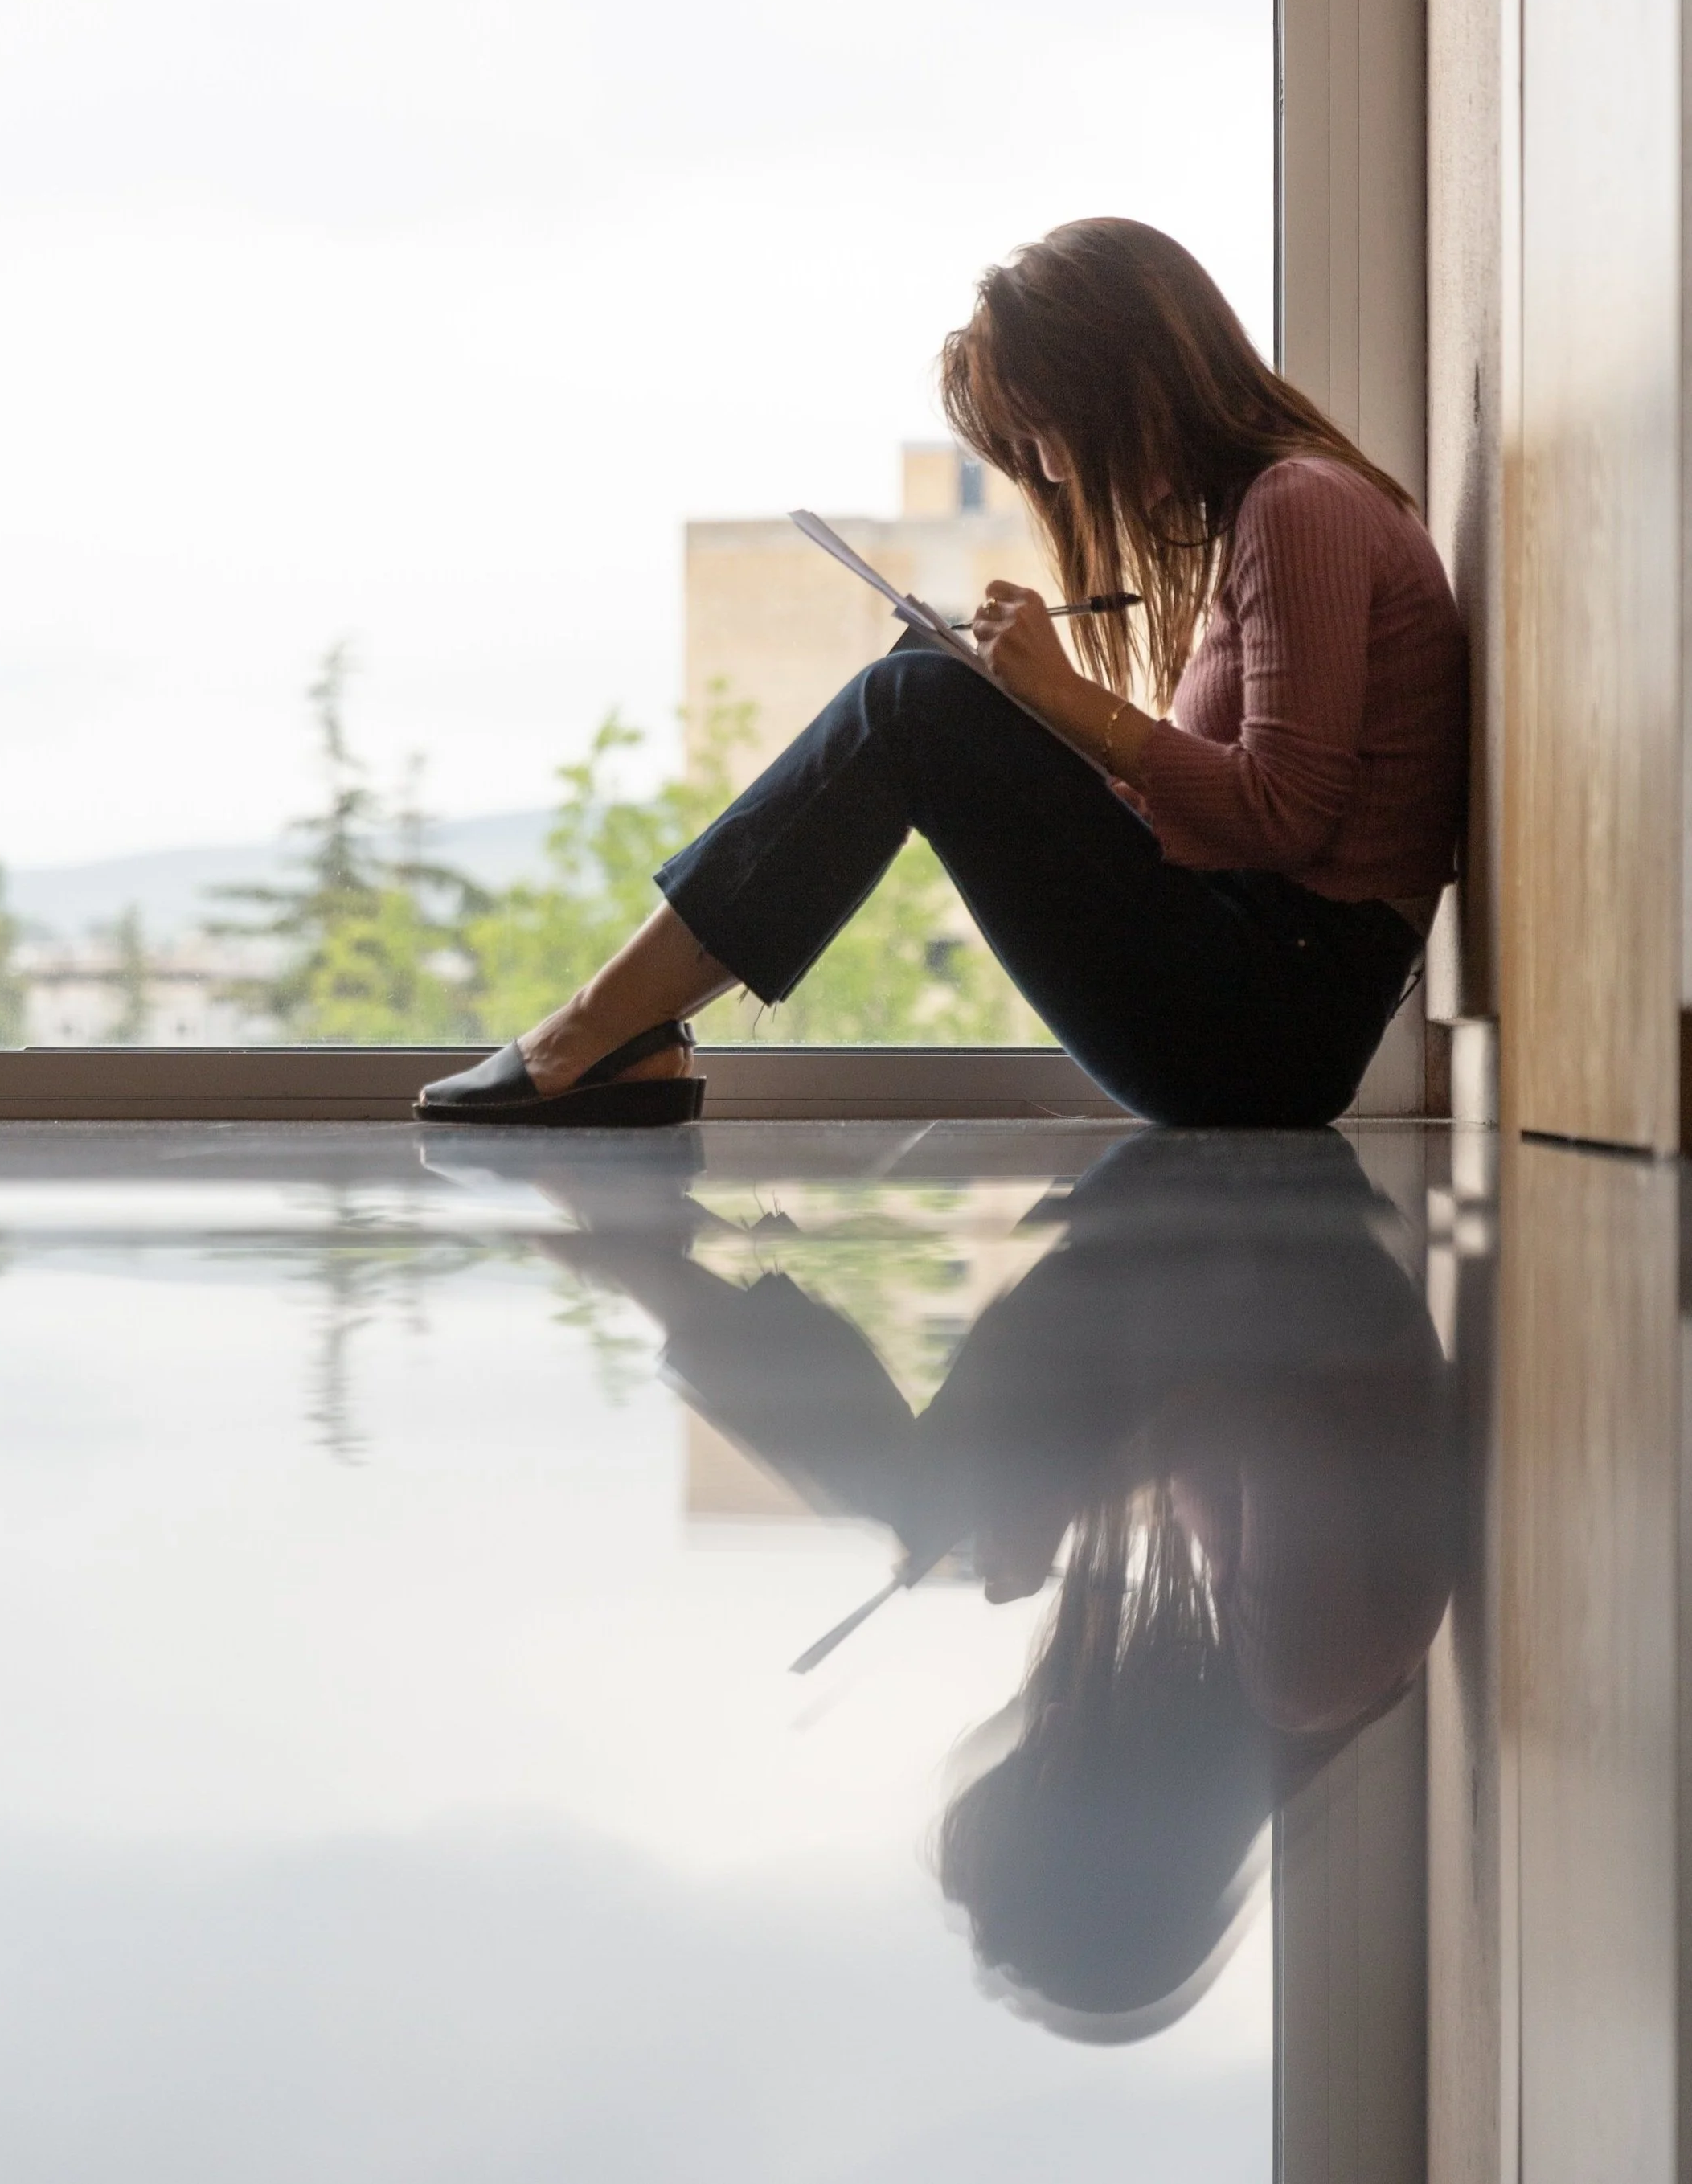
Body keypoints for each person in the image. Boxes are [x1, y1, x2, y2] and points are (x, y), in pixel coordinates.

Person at [417, 217, 1469, 1129]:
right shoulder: (1279, 509)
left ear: (1128, 385)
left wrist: (1068, 700)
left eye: (1047, 433)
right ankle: (619, 1033)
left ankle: (600, 1032)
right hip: (1263, 988)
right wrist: (1043, 728)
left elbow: (1283, 818)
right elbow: (1243, 821)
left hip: (1276, 1020)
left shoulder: (1301, 506)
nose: (1053, 471)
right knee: (930, 677)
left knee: (911, 702)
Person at [497, 1125, 1461, 2039]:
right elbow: (1271, 1425)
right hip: (1264, 1231)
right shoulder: (1305, 1680)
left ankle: (651, 1264)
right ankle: (647, 1261)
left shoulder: (1281, 1687)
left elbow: (1242, 1427)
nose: (1043, 1728)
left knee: (939, 1509)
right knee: (925, 1500)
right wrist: (1069, 1495)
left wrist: (1060, 1499)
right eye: (1042, 1774)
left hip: (1245, 1249)